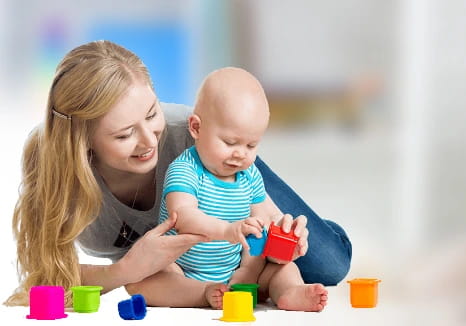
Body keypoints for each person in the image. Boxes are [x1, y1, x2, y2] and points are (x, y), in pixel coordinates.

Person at [4, 40, 352, 307]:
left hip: (226, 187)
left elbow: (264, 224)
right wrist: (125, 270)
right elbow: (48, 276)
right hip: (178, 272)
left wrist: (283, 238)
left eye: (152, 113)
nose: (148, 141)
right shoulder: (53, 164)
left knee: (327, 265)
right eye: (124, 134)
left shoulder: (194, 138)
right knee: (142, 283)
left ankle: (322, 230)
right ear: (83, 141)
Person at [158, 67, 327, 311]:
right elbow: (182, 218)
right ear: (196, 127)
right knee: (152, 277)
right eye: (229, 142)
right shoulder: (185, 170)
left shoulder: (249, 175)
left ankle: (289, 292)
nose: (240, 154)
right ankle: (202, 293)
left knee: (283, 268)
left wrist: (273, 254)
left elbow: (260, 230)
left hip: (236, 271)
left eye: (251, 145)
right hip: (184, 269)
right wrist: (227, 230)